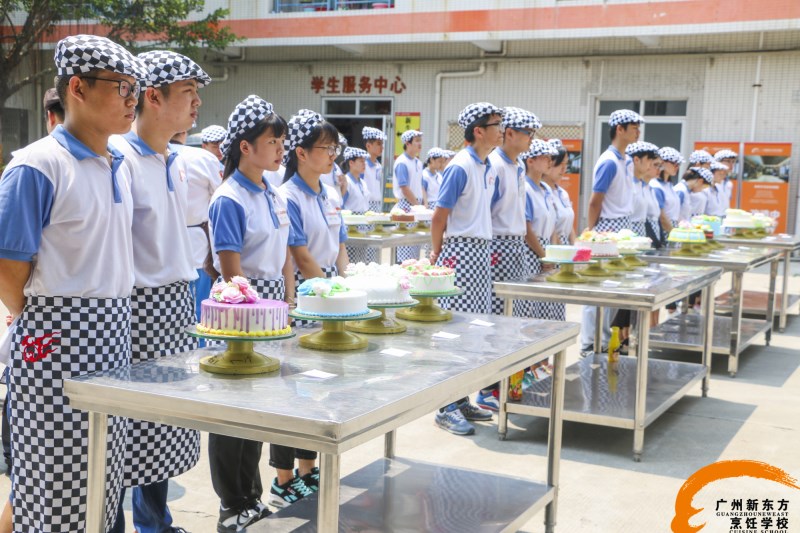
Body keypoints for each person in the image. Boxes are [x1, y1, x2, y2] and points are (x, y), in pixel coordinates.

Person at [0, 34, 147, 532]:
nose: (133, 99)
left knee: (101, 471)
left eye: (136, 89)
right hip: (53, 335)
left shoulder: (118, 163)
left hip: (112, 331)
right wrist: (48, 319)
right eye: (122, 87)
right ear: (78, 89)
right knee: (50, 474)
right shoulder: (38, 165)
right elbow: (8, 267)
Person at [109, 49, 211, 533]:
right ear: (153, 96)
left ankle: (156, 521)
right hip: (139, 308)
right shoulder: (121, 159)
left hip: (175, 302)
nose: (196, 106)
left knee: (164, 426)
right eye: (188, 94)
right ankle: (119, 522)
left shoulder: (174, 159)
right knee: (131, 429)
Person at [206, 95, 292, 531]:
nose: (281, 148)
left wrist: (288, 303)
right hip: (242, 308)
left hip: (272, 305)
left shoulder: (272, 193)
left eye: (282, 140)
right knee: (232, 411)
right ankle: (230, 502)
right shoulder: (229, 199)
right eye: (272, 140)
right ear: (244, 146)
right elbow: (231, 273)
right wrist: (253, 312)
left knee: (259, 408)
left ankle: (252, 495)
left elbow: (283, 258)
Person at [276, 109, 349, 506]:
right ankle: (284, 477)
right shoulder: (288, 196)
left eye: (334, 147)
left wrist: (348, 284)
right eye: (325, 148)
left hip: (330, 292)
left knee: (319, 385)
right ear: (300, 153)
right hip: (307, 293)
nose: (332, 154)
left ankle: (308, 468)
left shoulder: (330, 192)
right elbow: (301, 256)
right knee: (293, 386)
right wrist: (330, 289)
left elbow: (339, 247)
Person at [429, 102, 504, 436]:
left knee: (474, 330)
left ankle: (461, 399)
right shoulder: (460, 166)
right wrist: (437, 252)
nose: (501, 130)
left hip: (479, 252)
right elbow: (440, 215)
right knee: (456, 331)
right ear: (478, 131)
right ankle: (445, 405)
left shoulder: (486, 165)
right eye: (496, 124)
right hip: (460, 251)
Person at [473, 107, 539, 411]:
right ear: (509, 134)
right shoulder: (495, 166)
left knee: (516, 321)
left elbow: (521, 216)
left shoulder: (520, 166)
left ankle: (510, 379)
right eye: (527, 133)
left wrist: (536, 250)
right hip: (498, 247)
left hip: (516, 248)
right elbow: (485, 212)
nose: (531, 139)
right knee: (497, 321)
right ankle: (487, 388)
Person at [581, 109, 643, 354]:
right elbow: (596, 199)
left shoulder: (625, 160)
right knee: (598, 287)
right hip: (607, 226)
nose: (638, 131)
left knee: (614, 289)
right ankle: (590, 342)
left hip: (622, 227)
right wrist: (592, 231)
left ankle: (605, 340)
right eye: (634, 127)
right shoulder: (608, 161)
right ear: (620, 129)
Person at [169, 130, 223, 334]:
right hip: (196, 242)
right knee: (199, 309)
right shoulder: (203, 158)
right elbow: (219, 197)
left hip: (163, 244)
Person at [393, 129, 424, 262]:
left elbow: (421, 185)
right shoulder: (402, 162)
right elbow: (404, 188)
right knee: (405, 244)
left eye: (420, 141)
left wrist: (423, 205)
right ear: (408, 143)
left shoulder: (418, 162)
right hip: (407, 205)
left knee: (415, 245)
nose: (420, 144)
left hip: (416, 205)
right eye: (417, 141)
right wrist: (418, 206)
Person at [341, 146, 374, 263]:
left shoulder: (363, 183)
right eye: (361, 161)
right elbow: (341, 205)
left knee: (362, 260)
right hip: (351, 226)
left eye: (364, 161)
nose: (364, 164)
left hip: (363, 225)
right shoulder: (346, 182)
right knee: (351, 260)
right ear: (351, 163)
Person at [546, 139, 577, 245]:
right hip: (551, 248)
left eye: (566, 164)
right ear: (548, 163)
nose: (564, 168)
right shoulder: (542, 192)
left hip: (565, 249)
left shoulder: (563, 193)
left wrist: (575, 248)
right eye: (559, 164)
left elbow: (570, 226)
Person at [651, 146, 684, 242]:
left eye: (679, 164)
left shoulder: (669, 185)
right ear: (663, 162)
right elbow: (662, 216)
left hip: (673, 228)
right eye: (674, 163)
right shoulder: (656, 186)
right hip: (665, 229)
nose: (677, 167)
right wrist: (673, 233)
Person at [362, 126, 387, 212]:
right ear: (368, 146)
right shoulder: (362, 164)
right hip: (365, 204)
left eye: (382, 144)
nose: (382, 147)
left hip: (377, 205)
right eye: (379, 144)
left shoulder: (378, 165)